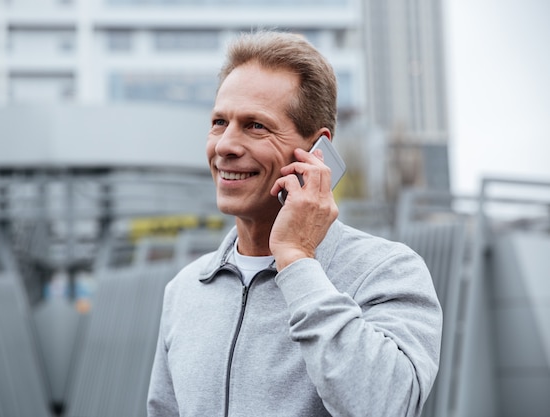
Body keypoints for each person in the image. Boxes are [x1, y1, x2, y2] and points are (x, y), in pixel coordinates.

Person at [147, 30, 442, 417]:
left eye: (256, 126)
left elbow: (387, 406)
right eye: (220, 122)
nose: (225, 146)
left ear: (316, 151)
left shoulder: (388, 271)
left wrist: (298, 260)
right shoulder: (184, 290)